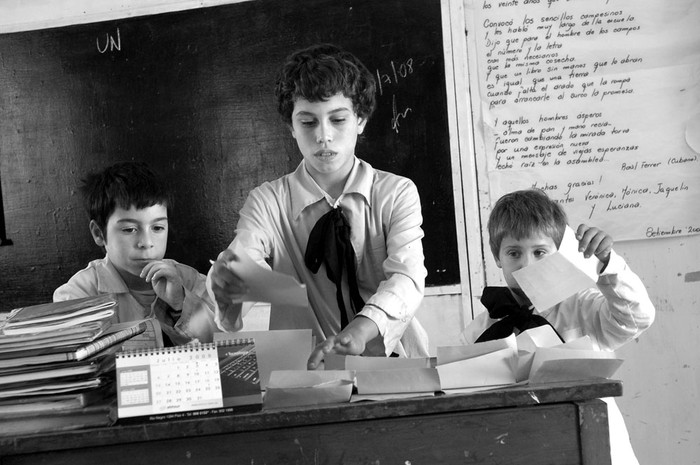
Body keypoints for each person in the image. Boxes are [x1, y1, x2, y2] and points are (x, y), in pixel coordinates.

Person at [208, 43, 430, 369]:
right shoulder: (267, 202)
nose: (324, 136)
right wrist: (227, 284)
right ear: (291, 127)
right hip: (305, 374)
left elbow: (407, 279)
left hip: (395, 365)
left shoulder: (396, 193)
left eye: (338, 119)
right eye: (308, 123)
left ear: (361, 120)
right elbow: (245, 258)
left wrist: (360, 330)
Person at [461, 188, 655, 465]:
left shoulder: (584, 308)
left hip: (595, 447)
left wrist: (607, 265)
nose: (526, 265)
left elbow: (638, 316)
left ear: (560, 254)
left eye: (540, 252)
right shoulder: (477, 332)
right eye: (514, 253)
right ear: (497, 258)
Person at [54, 161, 230, 345]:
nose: (146, 243)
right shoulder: (78, 294)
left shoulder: (189, 280)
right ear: (99, 233)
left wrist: (180, 304)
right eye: (129, 229)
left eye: (158, 227)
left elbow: (226, 345)